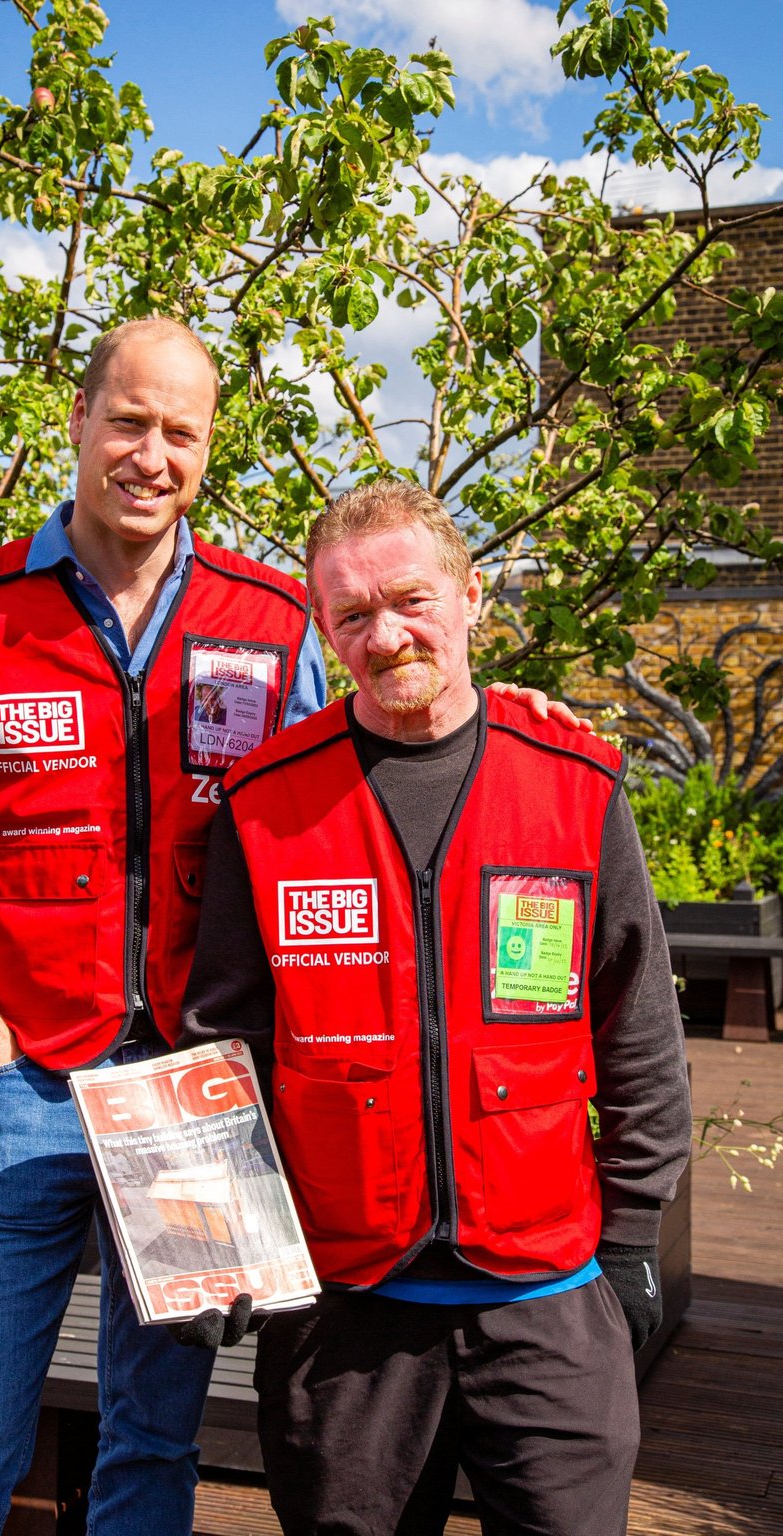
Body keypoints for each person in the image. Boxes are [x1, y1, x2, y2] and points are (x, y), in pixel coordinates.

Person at [0, 318, 579, 1536]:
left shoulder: (271, 619)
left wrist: (490, 704)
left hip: (195, 1094)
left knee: (154, 1438)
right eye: (128, 421)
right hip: (20, 1085)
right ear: (78, 420)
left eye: (179, 433)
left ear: (206, 449)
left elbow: (364, 760)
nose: (151, 455)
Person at [180, 479, 692, 1536]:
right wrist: (220, 1238)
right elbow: (221, 1047)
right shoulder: (268, 807)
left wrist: (636, 1236)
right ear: (323, 627)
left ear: (470, 597)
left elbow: (639, 1030)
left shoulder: (574, 787)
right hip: (346, 1319)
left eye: (410, 599)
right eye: (351, 614)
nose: (385, 636)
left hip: (546, 1301)